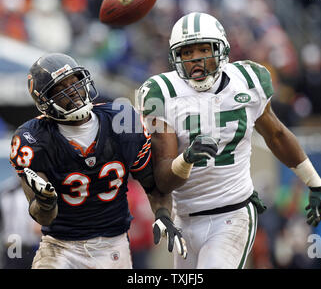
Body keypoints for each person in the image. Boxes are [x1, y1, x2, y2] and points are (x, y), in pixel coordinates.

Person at [136, 12, 321, 269]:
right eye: (187, 53)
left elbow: (276, 135)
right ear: (175, 57)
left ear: (222, 50)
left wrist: (314, 182)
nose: (196, 60)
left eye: (204, 49)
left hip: (233, 212)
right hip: (185, 217)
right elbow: (162, 178)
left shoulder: (247, 81)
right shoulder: (163, 93)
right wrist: (187, 159)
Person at [9, 53, 187, 269]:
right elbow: (43, 217)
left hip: (112, 245)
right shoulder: (33, 138)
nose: (73, 91)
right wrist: (46, 201)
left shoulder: (121, 120)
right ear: (45, 101)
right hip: (60, 247)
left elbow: (153, 186)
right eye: (60, 88)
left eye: (74, 82)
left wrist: (163, 214)